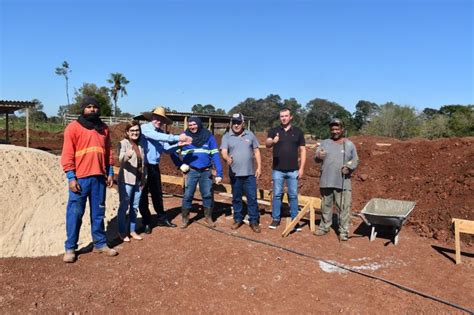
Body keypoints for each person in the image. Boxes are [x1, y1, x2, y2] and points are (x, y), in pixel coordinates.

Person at [61, 96, 117, 263]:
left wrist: (110, 171)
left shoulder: (103, 129)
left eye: (95, 107)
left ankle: (100, 244)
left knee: (98, 213)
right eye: (89, 107)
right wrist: (71, 177)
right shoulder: (73, 128)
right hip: (80, 179)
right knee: (75, 213)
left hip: (99, 178)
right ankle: (70, 248)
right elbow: (67, 154)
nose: (92, 109)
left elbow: (108, 152)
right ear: (83, 109)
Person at [139, 107, 192, 233]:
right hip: (143, 166)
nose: (159, 121)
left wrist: (179, 145)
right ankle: (146, 221)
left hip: (154, 166)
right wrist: (179, 137)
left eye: (161, 119)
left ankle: (161, 218)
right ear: (152, 118)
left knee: (157, 193)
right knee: (143, 195)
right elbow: (158, 137)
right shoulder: (145, 129)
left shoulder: (160, 132)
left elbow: (166, 149)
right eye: (157, 118)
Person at [313, 118, 359, 241]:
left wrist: (349, 167)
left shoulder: (349, 144)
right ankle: (324, 227)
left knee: (343, 208)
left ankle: (343, 231)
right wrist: (318, 155)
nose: (335, 131)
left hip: (342, 181)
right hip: (326, 180)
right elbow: (316, 158)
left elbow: (355, 160)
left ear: (342, 129)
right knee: (325, 206)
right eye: (333, 129)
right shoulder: (324, 143)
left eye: (337, 129)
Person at [265, 108, 306, 230]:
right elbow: (267, 144)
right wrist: (273, 141)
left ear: (291, 117)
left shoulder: (298, 132)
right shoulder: (274, 131)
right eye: (281, 116)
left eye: (286, 116)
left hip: (293, 170)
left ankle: (295, 219)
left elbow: (303, 150)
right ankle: (276, 219)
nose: (284, 118)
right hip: (278, 170)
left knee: (293, 195)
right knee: (277, 194)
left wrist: (302, 168)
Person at [221, 113, 262, 233]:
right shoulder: (227, 136)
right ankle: (238, 219)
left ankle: (254, 221)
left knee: (252, 198)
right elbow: (223, 152)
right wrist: (227, 158)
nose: (236, 125)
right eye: (234, 122)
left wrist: (259, 167)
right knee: (236, 198)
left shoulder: (250, 135)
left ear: (243, 123)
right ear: (231, 123)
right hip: (235, 174)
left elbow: (257, 151)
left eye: (238, 122)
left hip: (249, 174)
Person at [180, 116, 223, 228]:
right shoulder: (184, 136)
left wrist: (219, 172)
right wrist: (180, 164)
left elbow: (215, 154)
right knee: (188, 194)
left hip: (206, 171)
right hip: (191, 171)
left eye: (194, 124)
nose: (192, 127)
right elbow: (173, 151)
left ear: (199, 124)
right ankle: (185, 218)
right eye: (190, 125)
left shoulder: (208, 136)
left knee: (207, 194)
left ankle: (208, 217)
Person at [117, 121, 147, 242]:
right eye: (132, 131)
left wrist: (144, 178)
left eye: (137, 130)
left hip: (138, 181)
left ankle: (132, 230)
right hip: (126, 181)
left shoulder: (140, 145)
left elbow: (143, 164)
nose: (135, 133)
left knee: (134, 207)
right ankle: (122, 232)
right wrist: (127, 156)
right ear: (127, 132)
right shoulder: (123, 144)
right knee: (124, 207)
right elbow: (120, 159)